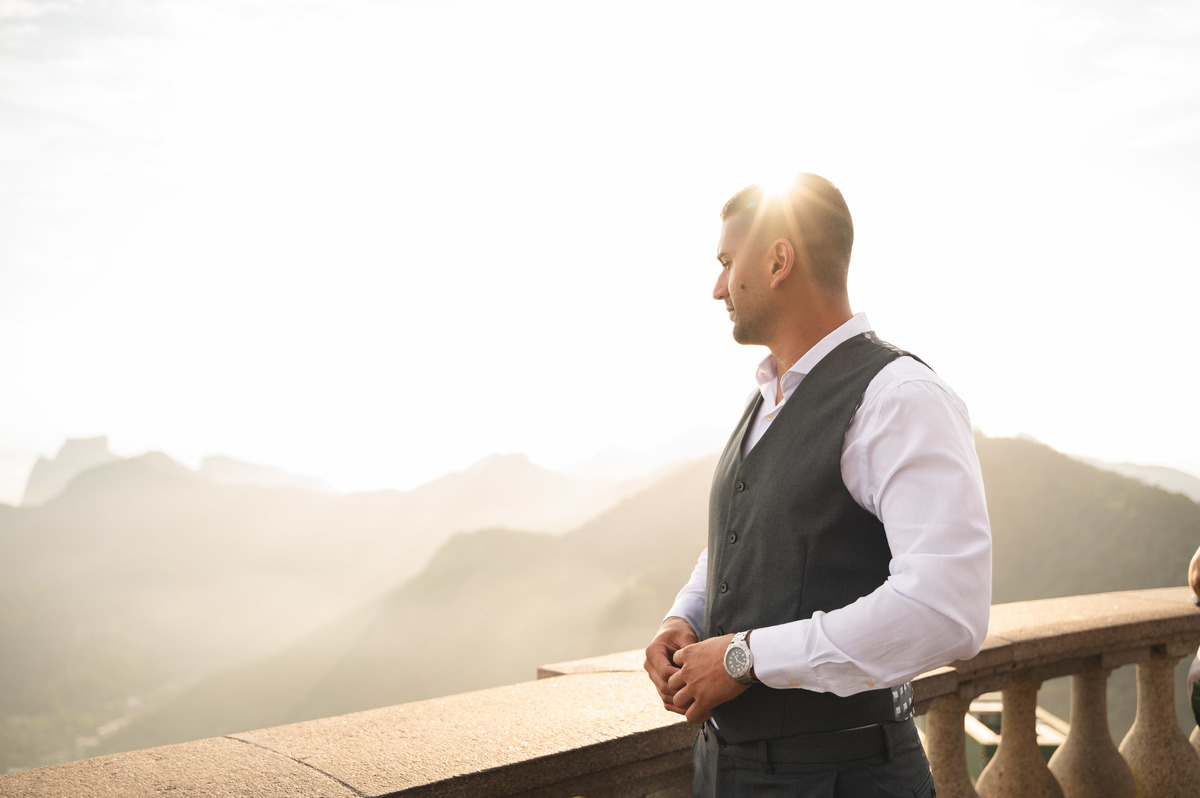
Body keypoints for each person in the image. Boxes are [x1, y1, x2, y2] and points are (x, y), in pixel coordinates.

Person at [643, 173, 993, 797]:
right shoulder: (767, 400)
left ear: (780, 259)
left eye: (727, 263)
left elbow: (947, 609)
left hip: (843, 777)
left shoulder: (899, 398)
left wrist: (744, 657)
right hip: (725, 769)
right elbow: (747, 534)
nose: (716, 287)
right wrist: (686, 616)